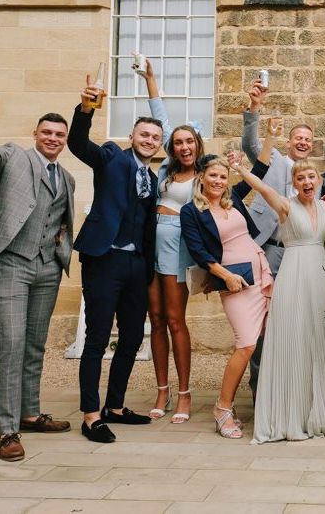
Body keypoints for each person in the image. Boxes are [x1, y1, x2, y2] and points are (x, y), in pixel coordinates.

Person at [0, 95, 75, 461]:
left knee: (35, 343)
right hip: (11, 263)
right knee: (11, 344)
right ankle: (7, 431)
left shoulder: (67, 178)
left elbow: (60, 220)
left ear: (65, 139)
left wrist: (59, 248)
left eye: (59, 134)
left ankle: (30, 413)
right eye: (47, 132)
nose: (53, 138)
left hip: (48, 268)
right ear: (35, 133)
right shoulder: (13, 158)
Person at [232, 155, 325, 443]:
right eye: (300, 178)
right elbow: (263, 190)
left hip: (321, 276)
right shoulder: (285, 206)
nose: (306, 182)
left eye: (311, 177)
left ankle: (324, 410)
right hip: (293, 275)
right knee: (295, 336)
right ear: (294, 183)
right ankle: (293, 412)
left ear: (319, 180)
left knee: (322, 335)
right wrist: (241, 170)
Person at [69, 75, 163, 443]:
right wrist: (86, 109)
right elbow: (78, 143)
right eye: (144, 135)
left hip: (137, 265)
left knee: (130, 339)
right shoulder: (110, 156)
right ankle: (91, 415)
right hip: (104, 259)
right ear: (132, 136)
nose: (150, 141)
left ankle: (116, 406)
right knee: (96, 338)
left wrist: (148, 265)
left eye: (155, 138)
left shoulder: (153, 179)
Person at [180, 154, 274, 438]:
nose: (219, 181)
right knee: (245, 344)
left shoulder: (231, 201)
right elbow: (199, 251)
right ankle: (222, 408)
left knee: (267, 342)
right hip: (235, 281)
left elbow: (260, 171)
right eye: (213, 176)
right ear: (202, 178)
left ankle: (269, 405)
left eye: (223, 177)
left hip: (262, 272)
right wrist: (225, 276)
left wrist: (263, 140)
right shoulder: (191, 211)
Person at [138, 60, 204, 422]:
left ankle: (184, 394)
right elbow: (160, 119)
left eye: (188, 141)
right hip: (152, 249)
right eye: (177, 143)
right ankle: (161, 390)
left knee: (177, 320)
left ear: (197, 144)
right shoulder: (166, 169)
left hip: (179, 252)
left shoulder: (203, 175)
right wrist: (151, 80)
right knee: (157, 317)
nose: (182, 147)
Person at [241, 77, 314, 397]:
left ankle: (291, 389)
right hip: (268, 251)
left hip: (299, 258)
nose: (301, 142)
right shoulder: (274, 163)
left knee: (295, 323)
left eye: (307, 139)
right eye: (297, 137)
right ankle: (260, 391)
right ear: (290, 142)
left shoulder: (316, 180)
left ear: (312, 146)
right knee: (261, 322)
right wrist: (255, 108)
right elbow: (250, 146)